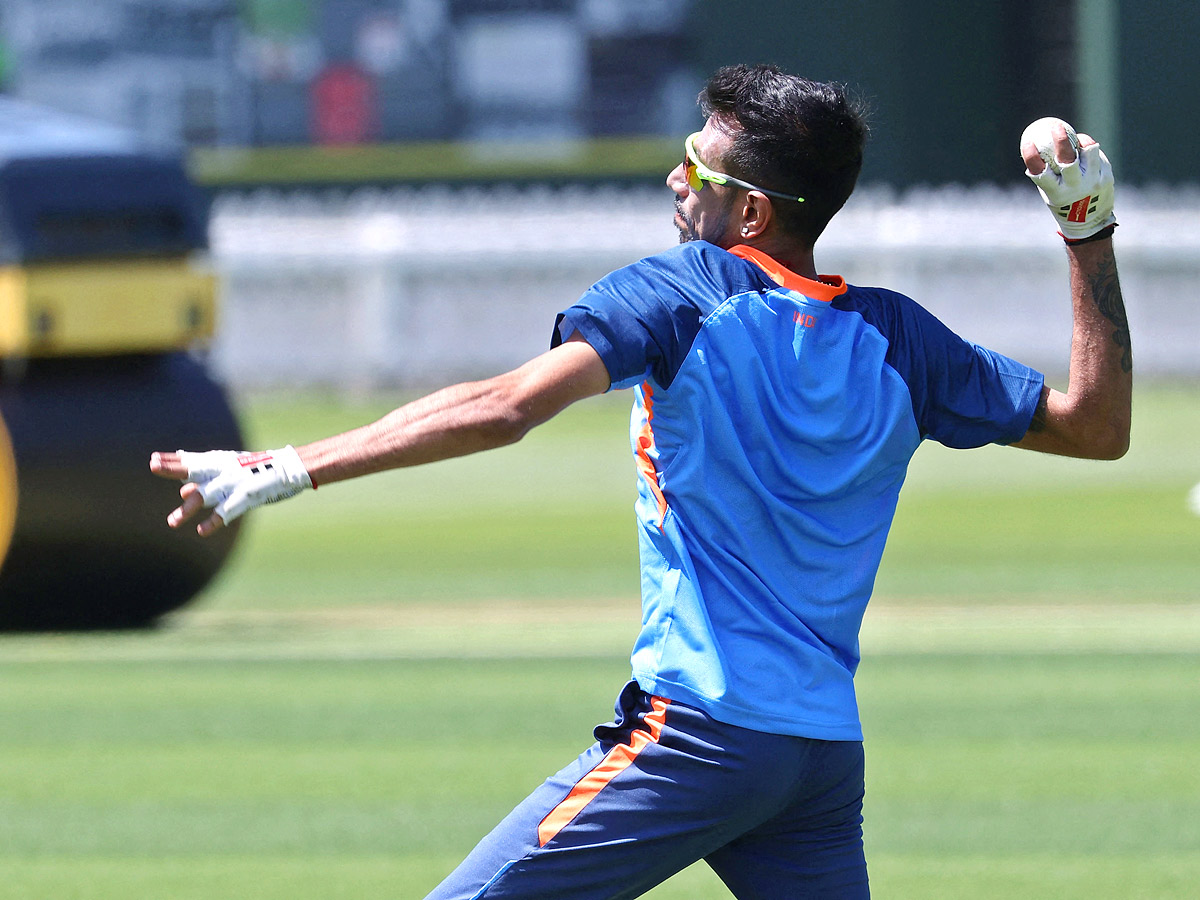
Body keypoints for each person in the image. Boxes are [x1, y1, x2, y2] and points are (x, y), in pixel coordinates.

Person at [151, 64, 1131, 899]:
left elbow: (505, 405)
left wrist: (287, 466)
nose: (675, 175)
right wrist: (1085, 235)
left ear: (748, 211)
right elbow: (1097, 427)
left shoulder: (684, 294)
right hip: (817, 758)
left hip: (699, 737)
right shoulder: (901, 341)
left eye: (696, 165)